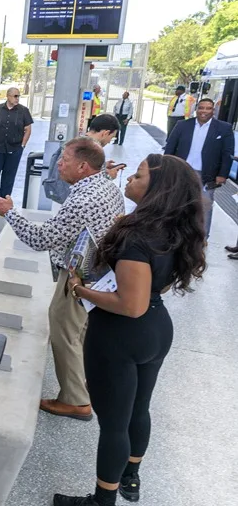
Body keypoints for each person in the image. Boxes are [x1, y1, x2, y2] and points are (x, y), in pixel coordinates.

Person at [54, 155, 207, 506]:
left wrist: (79, 290)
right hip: (156, 329)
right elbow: (155, 289)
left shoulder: (136, 238)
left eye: (137, 176)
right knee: (139, 409)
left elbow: (130, 304)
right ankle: (130, 476)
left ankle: (102, 500)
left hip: (119, 337)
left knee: (114, 424)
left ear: (157, 189)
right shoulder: (173, 229)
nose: (128, 180)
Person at [0, 138, 124, 421]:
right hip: (102, 273)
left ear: (83, 166)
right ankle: (85, 381)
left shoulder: (82, 199)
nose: (59, 164)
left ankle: (75, 400)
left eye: (64, 160)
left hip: (80, 276)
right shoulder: (107, 186)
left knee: (64, 329)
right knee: (81, 332)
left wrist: (10, 213)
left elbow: (41, 239)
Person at [163, 98, 235, 239]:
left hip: (207, 174)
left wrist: (222, 174)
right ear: (196, 109)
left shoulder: (224, 128)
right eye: (201, 108)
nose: (204, 111)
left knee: (204, 206)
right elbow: (170, 147)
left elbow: (227, 154)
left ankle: (202, 238)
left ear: (213, 110)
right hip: (182, 171)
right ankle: (174, 234)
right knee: (176, 203)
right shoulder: (182, 125)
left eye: (208, 108)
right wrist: (166, 168)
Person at [43, 114, 124, 205]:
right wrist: (108, 176)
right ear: (105, 133)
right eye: (111, 137)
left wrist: (102, 166)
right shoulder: (88, 148)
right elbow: (83, 180)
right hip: (73, 201)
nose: (109, 141)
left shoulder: (77, 143)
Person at [0, 87, 33, 207]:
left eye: (18, 96)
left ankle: (3, 200)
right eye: (15, 96)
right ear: (8, 96)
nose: (17, 98)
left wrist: (22, 145)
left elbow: (28, 129)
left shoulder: (23, 111)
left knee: (9, 174)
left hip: (15, 148)